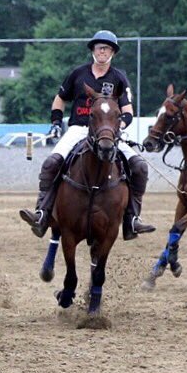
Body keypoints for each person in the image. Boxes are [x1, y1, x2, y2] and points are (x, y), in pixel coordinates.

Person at [19, 30, 155, 240]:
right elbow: (59, 99)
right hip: (78, 129)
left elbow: (127, 111)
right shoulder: (78, 74)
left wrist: (119, 127)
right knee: (51, 163)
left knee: (139, 166)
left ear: (113, 53)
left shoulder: (119, 78)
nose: (102, 51)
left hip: (108, 132)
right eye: (99, 47)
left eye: (107, 48)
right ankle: (42, 214)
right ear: (93, 50)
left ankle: (132, 220)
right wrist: (56, 122)